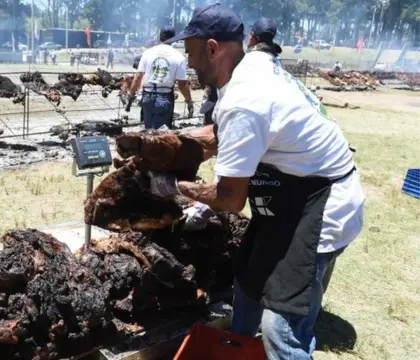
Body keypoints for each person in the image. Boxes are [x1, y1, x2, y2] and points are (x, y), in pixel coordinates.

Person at [146, 4, 365, 359]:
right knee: (247, 284)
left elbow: (232, 198)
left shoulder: (245, 100)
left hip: (321, 206)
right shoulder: (254, 65)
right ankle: (238, 348)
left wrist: (174, 189)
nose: (189, 62)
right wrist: (170, 147)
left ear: (214, 48)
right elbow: (224, 134)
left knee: (282, 327)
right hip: (288, 196)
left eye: (191, 52)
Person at [127, 26, 194, 129]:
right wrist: (189, 101)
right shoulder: (178, 56)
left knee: (149, 131)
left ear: (159, 37)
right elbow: (182, 84)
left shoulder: (147, 53)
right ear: (174, 38)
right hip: (164, 98)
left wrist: (130, 94)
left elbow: (138, 77)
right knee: (160, 134)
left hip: (147, 98)